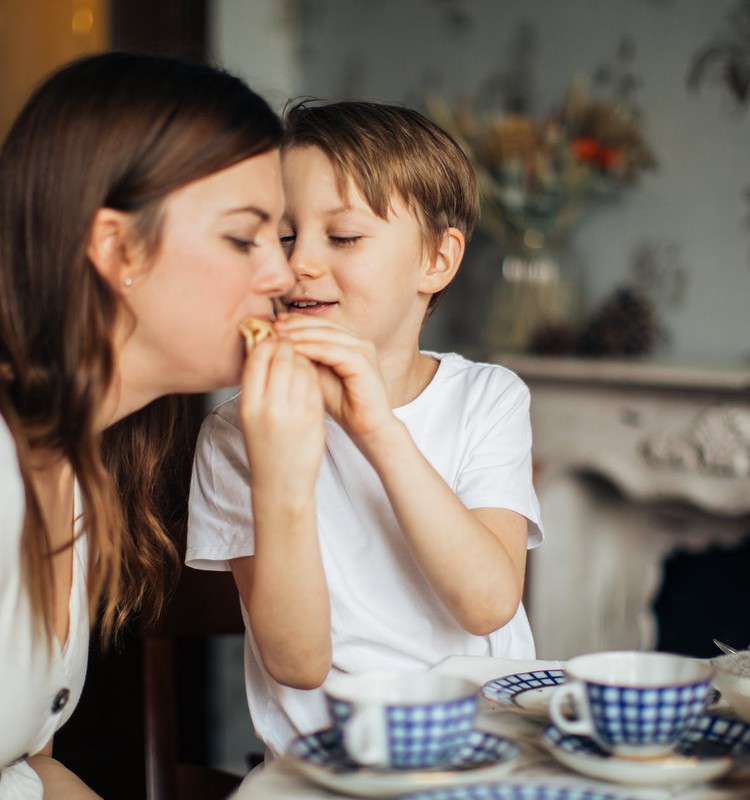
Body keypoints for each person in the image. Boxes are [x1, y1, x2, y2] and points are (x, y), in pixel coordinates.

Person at [0, 52, 324, 799]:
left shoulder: (77, 471)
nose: (282, 276)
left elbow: (28, 767)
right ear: (117, 249)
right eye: (244, 238)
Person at [187, 99, 544, 759]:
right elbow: (296, 664)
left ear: (437, 260)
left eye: (343, 237)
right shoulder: (239, 432)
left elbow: (488, 603)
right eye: (284, 236)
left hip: (484, 752)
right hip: (324, 766)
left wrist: (377, 428)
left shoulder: (488, 398)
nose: (300, 265)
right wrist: (282, 469)